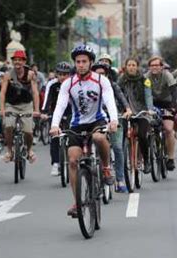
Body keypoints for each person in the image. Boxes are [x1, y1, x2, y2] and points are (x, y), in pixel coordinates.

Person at [49, 44, 118, 217]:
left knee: (99, 138)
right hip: (77, 124)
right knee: (72, 160)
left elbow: (110, 101)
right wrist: (54, 125)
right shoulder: (68, 84)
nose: (80, 64)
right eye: (78, 61)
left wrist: (114, 120)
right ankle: (77, 202)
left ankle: (106, 167)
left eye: (84, 61)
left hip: (97, 120)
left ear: (91, 62)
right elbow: (60, 106)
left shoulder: (101, 80)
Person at [92, 62, 131, 193]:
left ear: (107, 75)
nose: (99, 76)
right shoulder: (88, 87)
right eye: (96, 74)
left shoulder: (113, 86)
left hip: (114, 119)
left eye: (102, 74)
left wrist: (127, 110)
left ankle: (120, 180)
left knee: (118, 147)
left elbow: (122, 99)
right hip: (96, 121)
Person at [0, 50, 40, 163]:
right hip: (11, 105)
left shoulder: (30, 74)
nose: (17, 62)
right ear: (12, 61)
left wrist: (36, 110)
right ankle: (9, 151)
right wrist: (2, 109)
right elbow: (2, 93)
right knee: (8, 125)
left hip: (26, 105)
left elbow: (35, 93)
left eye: (20, 60)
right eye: (15, 60)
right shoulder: (8, 75)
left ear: (24, 61)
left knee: (28, 130)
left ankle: (29, 150)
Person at [118, 57, 155, 174]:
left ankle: (146, 160)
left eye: (134, 65)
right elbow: (118, 95)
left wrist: (149, 109)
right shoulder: (121, 80)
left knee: (142, 135)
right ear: (126, 67)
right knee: (121, 136)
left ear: (137, 66)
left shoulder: (144, 79)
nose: (131, 67)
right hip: (126, 112)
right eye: (129, 65)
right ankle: (122, 162)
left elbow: (148, 95)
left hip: (142, 112)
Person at [145, 56, 177, 171]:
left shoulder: (167, 75)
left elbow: (174, 91)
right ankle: (148, 155)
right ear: (149, 67)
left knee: (168, 129)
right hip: (152, 104)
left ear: (161, 67)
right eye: (152, 65)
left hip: (167, 103)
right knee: (145, 128)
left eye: (157, 65)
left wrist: (174, 106)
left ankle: (171, 158)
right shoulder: (146, 77)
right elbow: (144, 93)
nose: (154, 67)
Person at [41, 61, 72, 176]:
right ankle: (55, 163)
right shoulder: (52, 84)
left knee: (73, 135)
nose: (63, 77)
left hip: (70, 113)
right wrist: (44, 112)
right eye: (60, 74)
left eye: (65, 74)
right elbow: (47, 99)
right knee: (54, 137)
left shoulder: (73, 83)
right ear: (56, 74)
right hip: (55, 113)